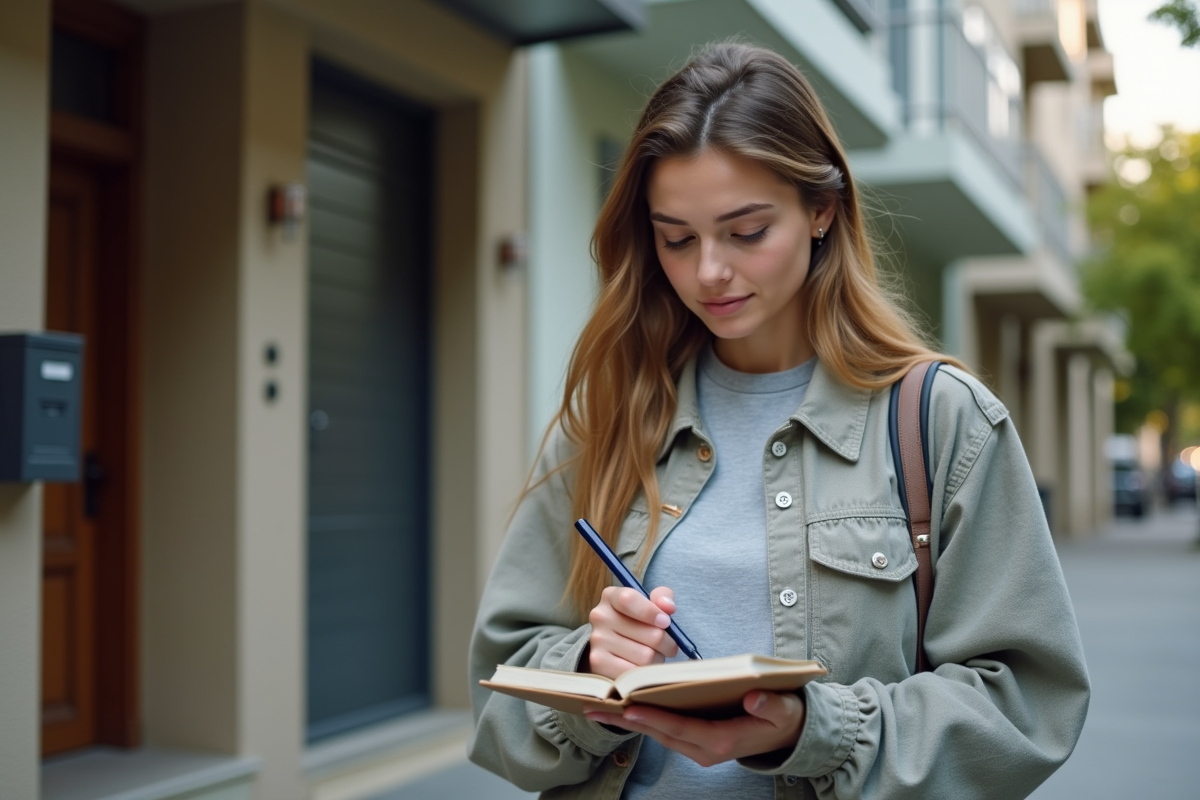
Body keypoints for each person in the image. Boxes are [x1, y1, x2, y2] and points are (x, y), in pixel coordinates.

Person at [468, 42, 1089, 799]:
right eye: (676, 237)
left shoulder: (941, 422)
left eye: (747, 231)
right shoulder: (610, 417)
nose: (708, 272)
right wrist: (591, 675)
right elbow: (497, 698)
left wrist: (811, 732)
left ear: (821, 209)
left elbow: (1027, 708)